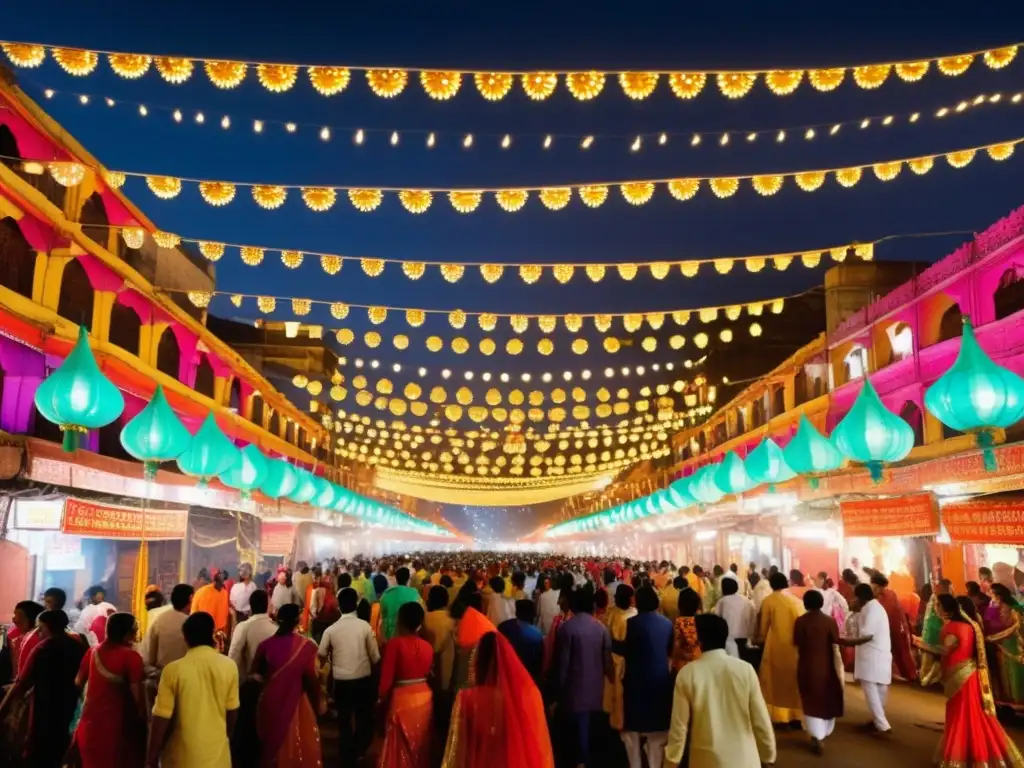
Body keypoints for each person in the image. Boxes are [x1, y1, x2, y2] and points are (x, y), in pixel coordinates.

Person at [917, 594, 1024, 767]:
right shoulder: (972, 627)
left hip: (959, 679)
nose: (937, 608)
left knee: (961, 717)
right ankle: (986, 756)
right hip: (970, 675)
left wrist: (922, 645)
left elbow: (945, 651)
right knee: (977, 717)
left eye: (939, 605)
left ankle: (962, 758)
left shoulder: (952, 627)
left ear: (950, 609)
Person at [665, 614, 776, 768]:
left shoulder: (687, 674)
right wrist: (768, 755)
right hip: (745, 758)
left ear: (698, 641)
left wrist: (671, 761)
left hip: (706, 760)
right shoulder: (745, 670)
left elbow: (679, 728)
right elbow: (760, 718)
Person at [442, 630, 554, 767]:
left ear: (478, 662)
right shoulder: (529, 696)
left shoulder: (468, 699)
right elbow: (536, 744)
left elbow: (458, 750)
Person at [147, 612, 240, 768]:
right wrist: (223, 738)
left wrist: (151, 757)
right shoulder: (229, 666)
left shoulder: (173, 671)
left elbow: (161, 719)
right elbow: (232, 712)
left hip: (181, 759)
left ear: (185, 636)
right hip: (218, 757)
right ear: (212, 633)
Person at [0, 609, 86, 767]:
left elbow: (22, 682)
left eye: (40, 628)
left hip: (44, 705)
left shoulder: (43, 649)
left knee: (38, 747)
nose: (38, 632)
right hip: (69, 705)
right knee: (60, 745)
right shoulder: (77, 646)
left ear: (48, 627)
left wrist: (3, 708)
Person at [70, 612, 147, 768]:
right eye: (135, 629)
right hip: (116, 729)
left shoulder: (92, 652)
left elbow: (77, 683)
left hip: (89, 726)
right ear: (127, 633)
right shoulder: (131, 657)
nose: (136, 633)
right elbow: (136, 696)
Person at [250, 603, 321, 768]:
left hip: (269, 701)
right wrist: (317, 704)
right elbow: (312, 678)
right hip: (297, 703)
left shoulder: (265, 645)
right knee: (296, 747)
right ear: (297, 620)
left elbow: (255, 674)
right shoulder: (307, 647)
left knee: (271, 745)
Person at [319, 586, 380, 766]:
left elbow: (321, 654)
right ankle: (357, 750)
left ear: (339, 605)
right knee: (363, 719)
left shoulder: (331, 630)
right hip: (363, 680)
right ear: (355, 604)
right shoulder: (365, 627)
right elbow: (375, 657)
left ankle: (346, 755)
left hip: (342, 681)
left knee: (344, 721)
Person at [554, 588, 613, 768]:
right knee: (589, 727)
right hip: (596, 688)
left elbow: (562, 663)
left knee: (576, 731)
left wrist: (558, 690)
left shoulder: (567, 628)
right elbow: (607, 662)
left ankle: (580, 759)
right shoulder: (601, 628)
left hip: (574, 688)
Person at [618, 585, 673, 768]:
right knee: (657, 737)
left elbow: (627, 651)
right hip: (660, 682)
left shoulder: (632, 623)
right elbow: (669, 653)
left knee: (632, 734)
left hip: (636, 683)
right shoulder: (667, 624)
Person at [378, 602, 434, 768]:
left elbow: (386, 681)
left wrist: (381, 698)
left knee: (400, 747)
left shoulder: (395, 644)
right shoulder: (428, 646)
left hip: (403, 698)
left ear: (400, 620)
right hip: (425, 697)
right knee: (420, 745)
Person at [793, 590, 846, 755]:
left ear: (805, 603)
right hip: (826, 665)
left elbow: (797, 642)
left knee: (810, 699)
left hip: (807, 665)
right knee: (826, 697)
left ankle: (817, 736)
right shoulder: (829, 621)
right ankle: (822, 732)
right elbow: (836, 640)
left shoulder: (801, 621)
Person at [757, 571, 805, 726]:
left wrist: (760, 640)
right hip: (796, 647)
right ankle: (796, 716)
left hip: (775, 647)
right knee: (793, 682)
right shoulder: (796, 601)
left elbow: (763, 627)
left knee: (773, 682)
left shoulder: (769, 601)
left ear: (771, 584)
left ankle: (778, 716)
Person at [852, 582, 891, 736]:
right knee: (880, 688)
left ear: (860, 598)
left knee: (871, 688)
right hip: (878, 654)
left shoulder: (871, 609)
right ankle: (877, 720)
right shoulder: (874, 607)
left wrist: (847, 641)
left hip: (872, 655)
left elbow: (866, 634)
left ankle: (882, 724)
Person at [983, 582, 1024, 709]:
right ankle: (1008, 700)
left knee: (1014, 671)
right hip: (1001, 644)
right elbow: (990, 621)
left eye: (992, 592)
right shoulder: (994, 606)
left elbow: (1013, 629)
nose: (989, 594)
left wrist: (994, 638)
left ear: (998, 595)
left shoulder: (1011, 609)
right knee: (1005, 672)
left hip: (1013, 643)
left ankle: (1019, 701)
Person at [869, 572, 917, 681]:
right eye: (879, 588)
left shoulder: (889, 595)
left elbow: (895, 614)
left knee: (901, 651)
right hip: (882, 631)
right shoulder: (871, 596)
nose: (880, 590)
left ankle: (910, 676)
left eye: (882, 588)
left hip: (895, 630)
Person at [603, 583, 636, 732]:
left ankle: (616, 722)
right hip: (623, 657)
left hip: (615, 657)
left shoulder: (611, 612)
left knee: (616, 693)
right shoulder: (633, 614)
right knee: (620, 693)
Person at [228, 589, 277, 681]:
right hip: (271, 684)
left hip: (247, 684)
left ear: (251, 606)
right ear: (267, 607)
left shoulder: (243, 627)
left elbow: (233, 656)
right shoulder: (275, 629)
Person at [145, 584, 193, 674]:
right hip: (186, 675)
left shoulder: (159, 620)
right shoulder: (192, 623)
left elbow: (151, 658)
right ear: (191, 598)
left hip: (163, 675)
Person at [497, 598, 544, 686]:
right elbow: (537, 662)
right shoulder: (536, 634)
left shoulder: (503, 627)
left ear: (516, 612)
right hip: (526, 678)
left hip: (505, 675)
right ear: (532, 614)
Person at [919, 579, 952, 687]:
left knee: (933, 659)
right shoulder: (938, 598)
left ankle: (928, 679)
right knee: (931, 659)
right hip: (933, 634)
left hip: (932, 633)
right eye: (949, 588)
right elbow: (940, 614)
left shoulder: (935, 596)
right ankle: (926, 680)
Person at [714, 577, 756, 659]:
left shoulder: (722, 601)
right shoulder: (746, 600)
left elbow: (717, 620)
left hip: (728, 638)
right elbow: (753, 619)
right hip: (744, 636)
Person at [379, 566, 423, 641]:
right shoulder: (414, 593)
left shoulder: (386, 594)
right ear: (408, 579)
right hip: (409, 636)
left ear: (396, 579)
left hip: (390, 636)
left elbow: (383, 617)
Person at [5, 600, 43, 680]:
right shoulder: (14, 633)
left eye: (18, 616)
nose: (13, 619)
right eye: (14, 615)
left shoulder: (36, 638)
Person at [191, 569, 231, 643]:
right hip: (219, 636)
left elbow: (193, 617)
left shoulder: (200, 593)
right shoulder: (224, 593)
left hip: (203, 636)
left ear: (202, 579)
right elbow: (225, 617)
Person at [671, 587, 704, 672]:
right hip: (701, 664)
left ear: (680, 605)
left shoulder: (679, 622)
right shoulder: (702, 621)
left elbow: (676, 648)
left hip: (684, 667)